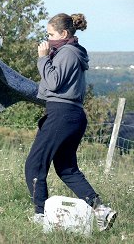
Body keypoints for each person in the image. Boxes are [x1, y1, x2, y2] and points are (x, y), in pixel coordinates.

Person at [25, 13, 116, 230]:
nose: (48, 40)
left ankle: (41, 216)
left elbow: (53, 83)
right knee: (66, 168)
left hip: (62, 114)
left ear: (64, 33)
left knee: (34, 165)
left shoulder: (67, 52)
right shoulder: (70, 52)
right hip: (70, 115)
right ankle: (101, 211)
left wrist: (43, 58)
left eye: (51, 34)